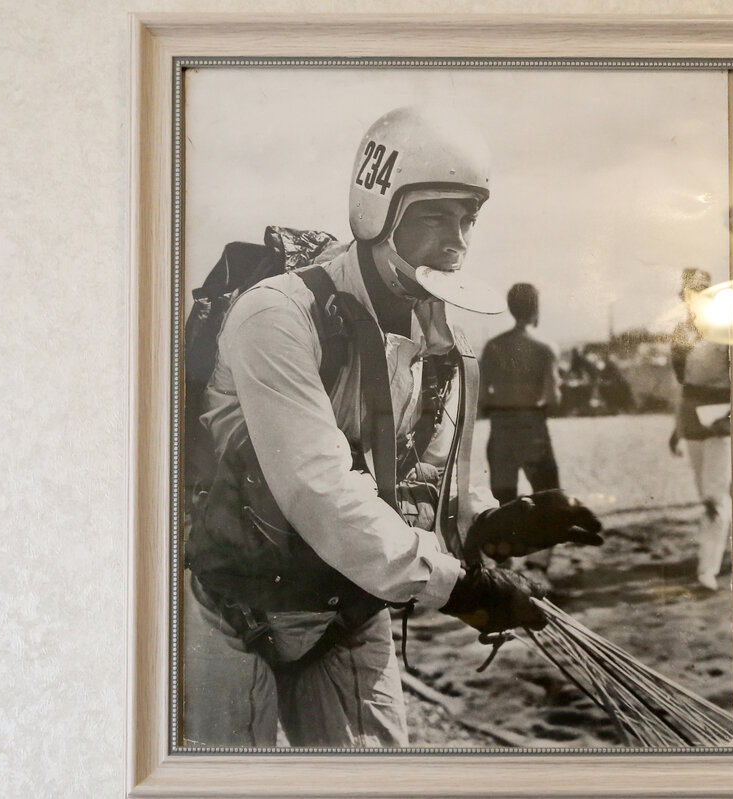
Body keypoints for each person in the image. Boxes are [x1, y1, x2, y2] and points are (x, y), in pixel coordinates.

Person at [181, 106, 603, 748]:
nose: (457, 242)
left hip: (348, 610)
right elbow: (318, 488)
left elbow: (425, 473)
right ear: (376, 208)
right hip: (236, 610)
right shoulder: (277, 316)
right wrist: (459, 589)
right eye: (434, 216)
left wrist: (490, 522)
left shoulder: (440, 334)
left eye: (467, 219)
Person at [479, 284, 563, 575]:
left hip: (501, 429)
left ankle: (505, 565)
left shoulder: (493, 346)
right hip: (532, 428)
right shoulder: (544, 348)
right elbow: (553, 398)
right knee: (548, 495)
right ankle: (539, 565)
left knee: (504, 499)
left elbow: (481, 396)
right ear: (536, 308)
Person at [668, 268, 732, 591]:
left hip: (722, 420)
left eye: (702, 293)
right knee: (709, 494)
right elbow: (683, 385)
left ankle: (707, 569)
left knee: (714, 497)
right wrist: (677, 427)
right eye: (689, 294)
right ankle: (724, 552)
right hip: (693, 419)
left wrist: (732, 416)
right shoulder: (681, 332)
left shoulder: (729, 330)